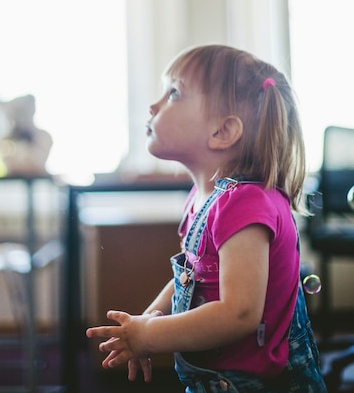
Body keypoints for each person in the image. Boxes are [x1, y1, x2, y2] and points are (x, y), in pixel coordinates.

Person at [86, 44, 327, 392]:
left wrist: (151, 336)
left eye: (173, 93)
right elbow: (189, 277)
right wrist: (148, 319)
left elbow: (239, 313)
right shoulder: (206, 200)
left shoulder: (245, 204)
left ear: (222, 132)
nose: (153, 106)